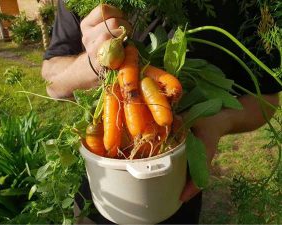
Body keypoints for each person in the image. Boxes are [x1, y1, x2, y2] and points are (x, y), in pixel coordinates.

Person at [42, 0, 281, 223]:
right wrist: (91, 65)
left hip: (176, 188)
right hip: (102, 189)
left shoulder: (248, 5)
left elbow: (268, 99)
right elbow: (51, 80)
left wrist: (220, 122)